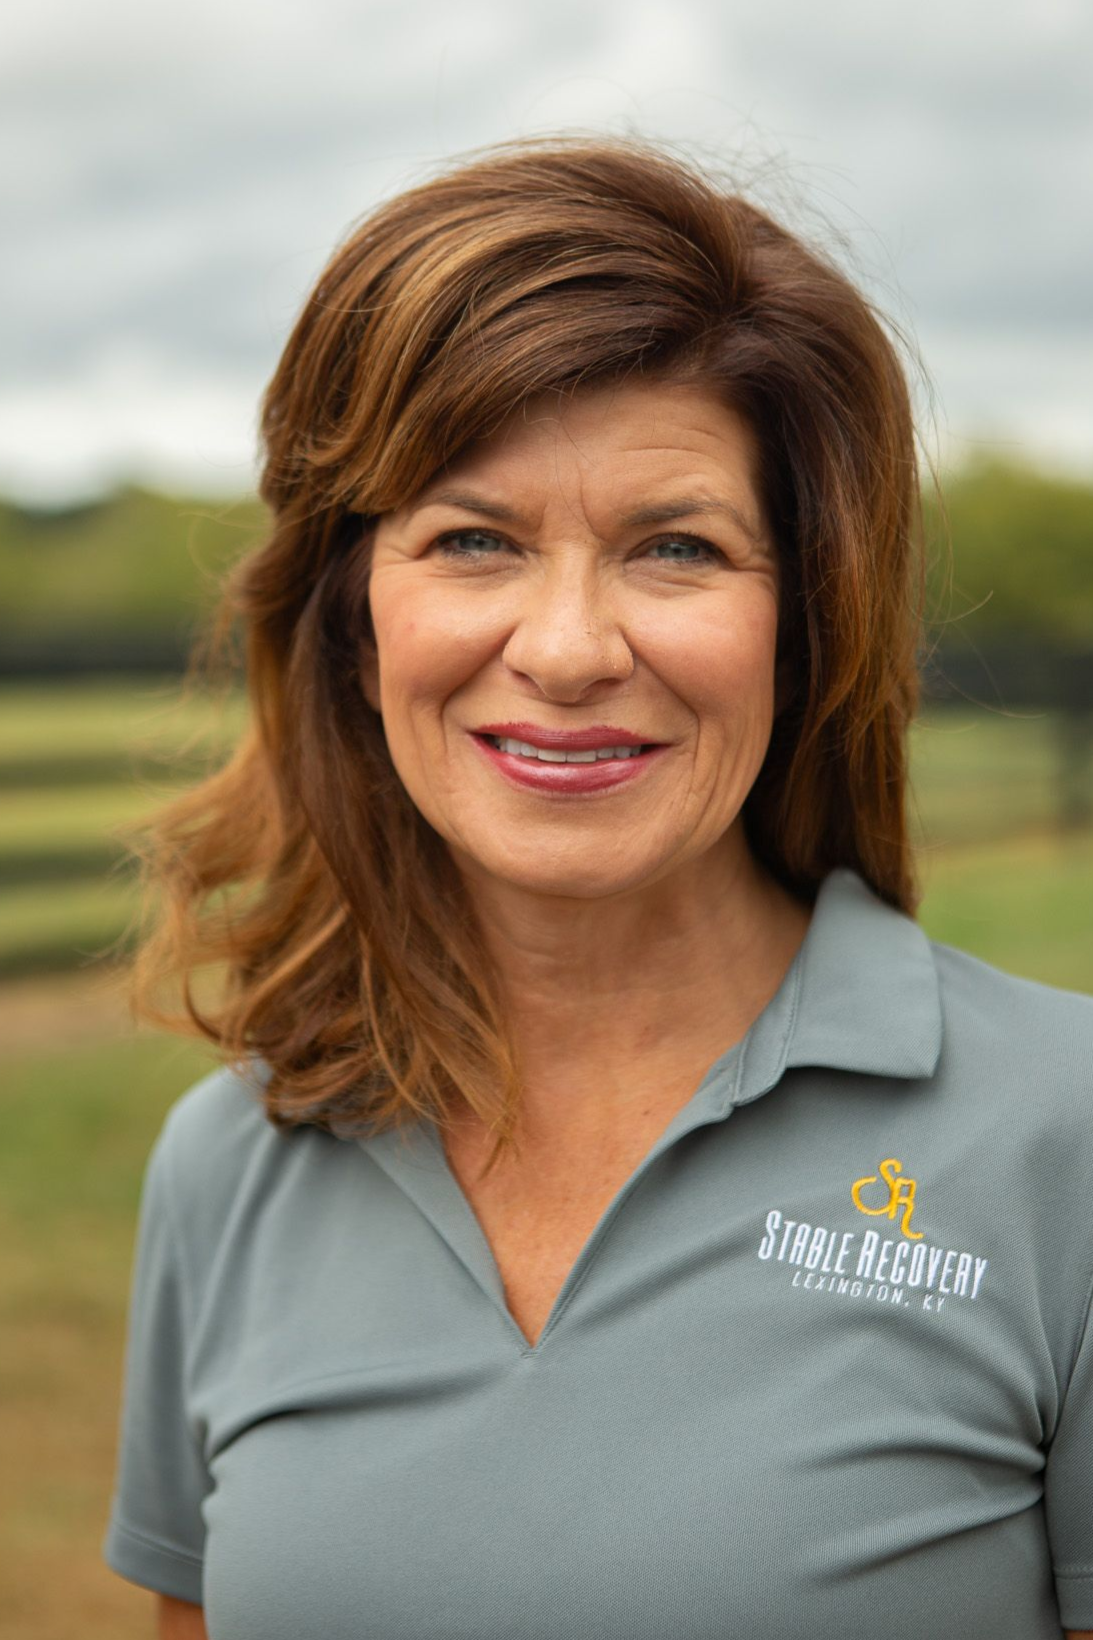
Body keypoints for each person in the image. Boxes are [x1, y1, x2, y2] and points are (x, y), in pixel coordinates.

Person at [103, 137, 1093, 1640]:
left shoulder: (1063, 1143)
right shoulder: (230, 1167)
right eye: (474, 539)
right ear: (359, 622)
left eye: (676, 546)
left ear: (805, 626)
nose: (567, 651)